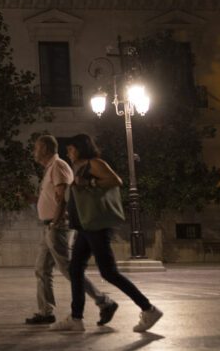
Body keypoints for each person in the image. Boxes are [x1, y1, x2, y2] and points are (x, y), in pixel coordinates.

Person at [53, 134, 163, 333]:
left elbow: (115, 180)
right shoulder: (78, 167)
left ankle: (149, 309)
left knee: (109, 272)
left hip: (96, 226)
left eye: (71, 149)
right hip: (84, 227)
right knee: (75, 270)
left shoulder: (94, 163)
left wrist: (91, 183)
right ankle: (76, 318)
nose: (68, 153)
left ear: (80, 148)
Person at [27, 135, 117, 325]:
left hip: (56, 226)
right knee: (42, 269)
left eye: (36, 148)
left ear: (44, 149)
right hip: (49, 225)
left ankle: (104, 301)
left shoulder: (58, 166)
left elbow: (63, 197)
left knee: (69, 269)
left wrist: (55, 222)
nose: (34, 152)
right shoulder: (50, 168)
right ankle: (46, 312)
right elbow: (54, 197)